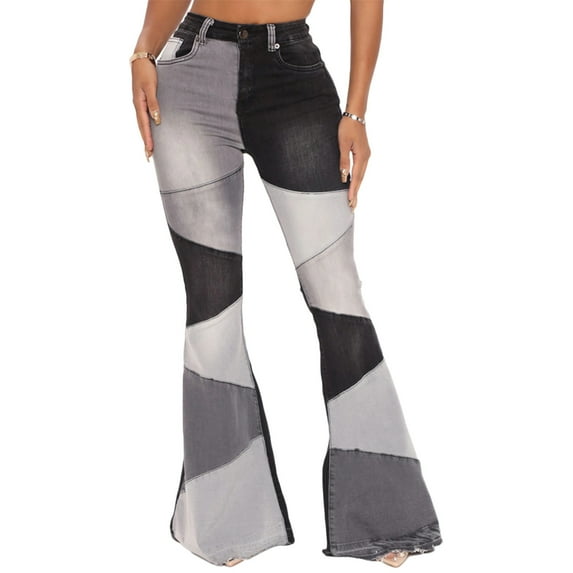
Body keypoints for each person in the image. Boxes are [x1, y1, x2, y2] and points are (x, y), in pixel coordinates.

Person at [130, 0, 443, 567]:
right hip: (190, 69)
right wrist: (142, 52)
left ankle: (386, 514)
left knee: (337, 295)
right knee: (212, 304)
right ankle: (224, 521)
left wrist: (356, 112)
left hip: (293, 75)